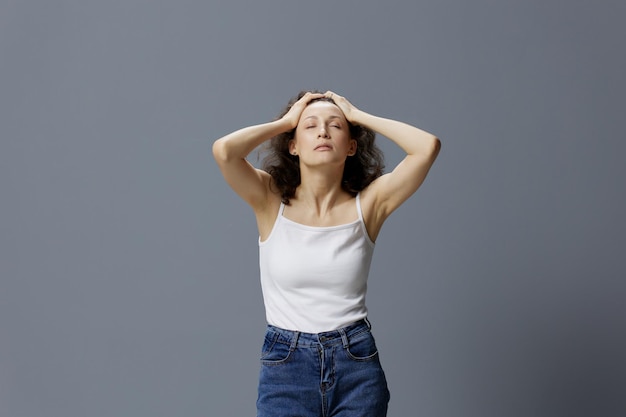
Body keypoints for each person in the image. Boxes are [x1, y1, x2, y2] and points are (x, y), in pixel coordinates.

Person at [212, 90, 440, 417]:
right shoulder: (268, 199)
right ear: (292, 145)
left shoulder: (370, 204)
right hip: (286, 367)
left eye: (335, 125)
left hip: (356, 365)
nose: (322, 131)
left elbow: (426, 147)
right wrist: (285, 122)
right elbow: (224, 152)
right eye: (310, 126)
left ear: (351, 146)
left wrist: (358, 115)